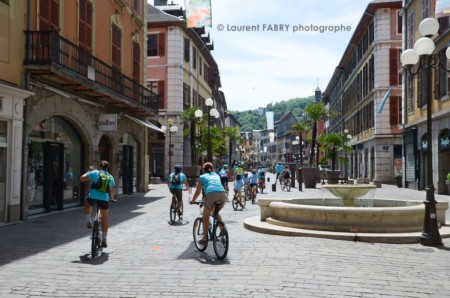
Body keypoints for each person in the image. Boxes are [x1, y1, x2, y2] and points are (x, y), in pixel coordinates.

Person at [80, 160, 115, 248]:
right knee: (105, 218)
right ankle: (104, 239)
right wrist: (112, 198)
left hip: (93, 197)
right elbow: (111, 189)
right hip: (104, 200)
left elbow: (82, 178)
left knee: (87, 204)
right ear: (107, 168)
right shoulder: (110, 176)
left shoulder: (95, 172)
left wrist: (89, 171)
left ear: (99, 166)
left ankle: (88, 221)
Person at [189, 162, 227, 245]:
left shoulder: (202, 177)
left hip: (211, 195)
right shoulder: (217, 175)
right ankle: (223, 230)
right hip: (222, 195)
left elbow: (198, 191)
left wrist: (193, 200)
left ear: (203, 169)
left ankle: (205, 238)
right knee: (215, 212)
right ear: (212, 168)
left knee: (205, 216)